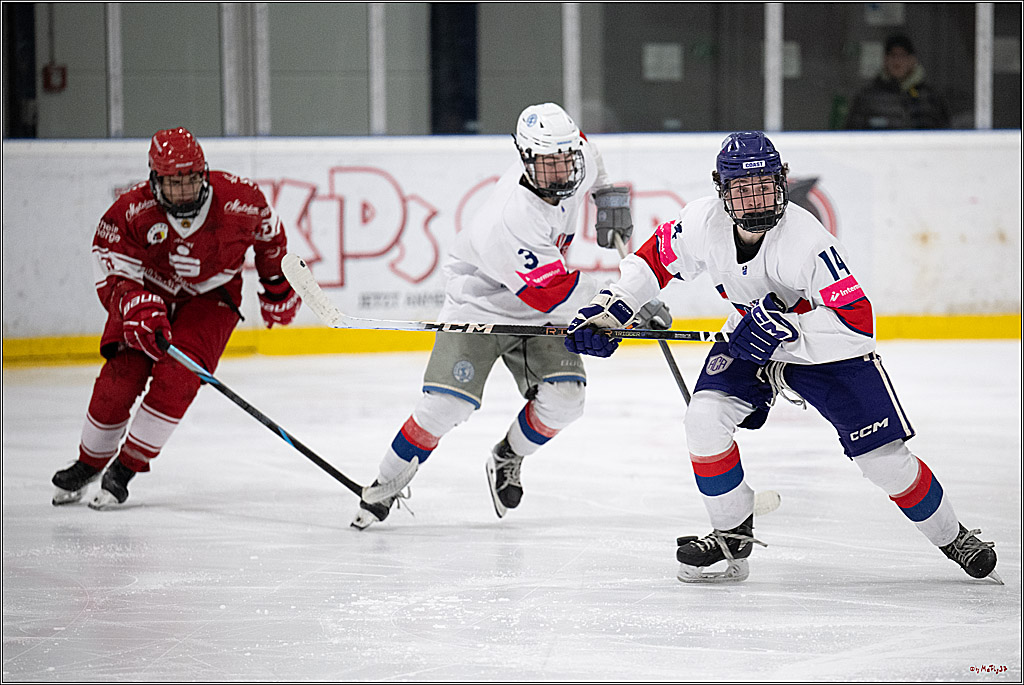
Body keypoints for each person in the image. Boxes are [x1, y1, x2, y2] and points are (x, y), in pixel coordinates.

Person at [565, 131, 999, 584]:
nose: (754, 199)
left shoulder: (808, 242)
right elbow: (653, 261)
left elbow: (857, 324)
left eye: (764, 186)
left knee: (883, 460)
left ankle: (955, 537)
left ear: (782, 183)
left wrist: (788, 330)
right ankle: (731, 533)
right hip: (749, 336)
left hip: (823, 348)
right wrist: (612, 309)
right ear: (722, 190)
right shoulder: (702, 222)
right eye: (741, 189)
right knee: (704, 420)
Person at [350, 102, 671, 529]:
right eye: (548, 164)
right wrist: (626, 300)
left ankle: (508, 456)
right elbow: (552, 295)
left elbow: (593, 161)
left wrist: (607, 199)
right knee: (444, 407)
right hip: (481, 306)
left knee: (566, 400)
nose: (561, 173)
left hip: (541, 302)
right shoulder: (510, 219)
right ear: (524, 158)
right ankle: (384, 486)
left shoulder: (577, 158)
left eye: (566, 160)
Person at [51, 127, 301, 510]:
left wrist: (277, 289)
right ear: (155, 179)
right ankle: (88, 463)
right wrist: (134, 303)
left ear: (204, 174)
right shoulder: (130, 210)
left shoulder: (242, 201)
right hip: (147, 293)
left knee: (178, 379)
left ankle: (126, 470)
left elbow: (272, 242)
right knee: (118, 382)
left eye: (190, 180)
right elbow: (109, 263)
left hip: (211, 297)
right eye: (172, 182)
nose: (183, 191)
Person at [845, 34, 951, 130]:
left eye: (902, 55)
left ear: (912, 60)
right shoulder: (867, 98)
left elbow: (944, 134)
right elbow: (853, 135)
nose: (897, 61)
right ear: (885, 60)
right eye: (892, 55)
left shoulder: (930, 97)